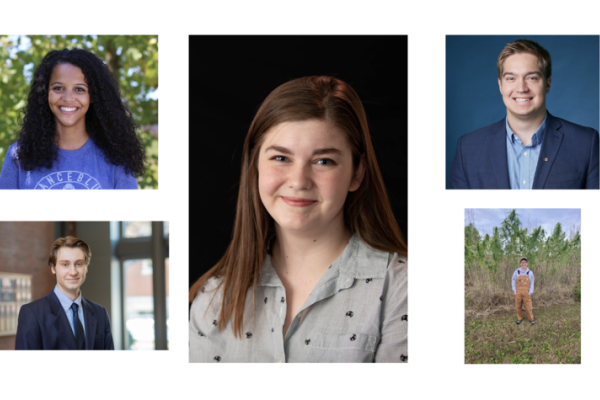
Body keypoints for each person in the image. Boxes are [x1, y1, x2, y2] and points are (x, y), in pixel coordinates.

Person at [189, 76, 407, 363]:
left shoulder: (403, 288)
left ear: (357, 173)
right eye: (281, 158)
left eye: (323, 161)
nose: (298, 181)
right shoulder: (211, 299)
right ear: (255, 165)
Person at [450, 39, 599, 189]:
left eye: (532, 78)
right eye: (511, 78)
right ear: (500, 85)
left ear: (547, 83)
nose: (521, 88)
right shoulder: (468, 149)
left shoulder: (586, 143)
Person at [0, 48, 145, 189]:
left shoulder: (116, 158)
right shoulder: (19, 155)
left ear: (93, 96)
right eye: (58, 88)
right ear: (45, 93)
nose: (68, 98)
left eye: (79, 89)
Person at [15, 236, 114, 350]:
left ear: (86, 267)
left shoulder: (100, 313)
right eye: (65, 264)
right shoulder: (32, 314)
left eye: (79, 264)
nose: (73, 272)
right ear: (53, 268)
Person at [511, 257, 535, 325]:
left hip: (526, 292)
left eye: (524, 262)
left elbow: (532, 283)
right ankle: (519, 318)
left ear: (527, 263)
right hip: (518, 292)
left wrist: (530, 292)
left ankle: (531, 319)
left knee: (528, 306)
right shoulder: (516, 272)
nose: (523, 264)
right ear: (520, 263)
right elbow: (513, 281)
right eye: (522, 262)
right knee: (518, 306)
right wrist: (514, 290)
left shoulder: (530, 273)